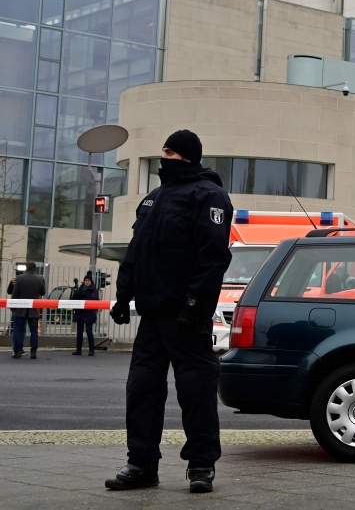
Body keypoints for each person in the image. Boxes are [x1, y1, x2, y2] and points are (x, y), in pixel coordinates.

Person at [104, 130, 233, 494]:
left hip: (186, 316)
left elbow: (212, 258)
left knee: (196, 389)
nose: (165, 156)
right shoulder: (153, 199)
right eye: (164, 150)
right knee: (142, 388)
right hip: (152, 315)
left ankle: (201, 464)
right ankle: (141, 463)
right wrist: (122, 295)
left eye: (172, 151)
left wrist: (195, 304)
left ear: (190, 157)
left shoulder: (210, 196)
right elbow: (136, 250)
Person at [8, 261, 45, 359]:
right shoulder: (40, 279)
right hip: (34, 309)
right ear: (34, 268)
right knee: (34, 331)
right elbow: (43, 292)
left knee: (18, 330)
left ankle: (18, 351)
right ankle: (33, 352)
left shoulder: (20, 278)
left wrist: (13, 306)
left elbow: (14, 293)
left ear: (26, 268)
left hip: (20, 309)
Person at [71, 272, 99, 356]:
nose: (87, 282)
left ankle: (91, 350)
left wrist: (82, 297)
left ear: (91, 281)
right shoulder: (81, 288)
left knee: (89, 331)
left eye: (88, 280)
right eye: (85, 280)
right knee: (79, 332)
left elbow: (92, 299)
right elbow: (75, 298)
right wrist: (76, 293)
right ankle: (78, 349)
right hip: (80, 313)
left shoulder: (94, 290)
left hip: (89, 313)